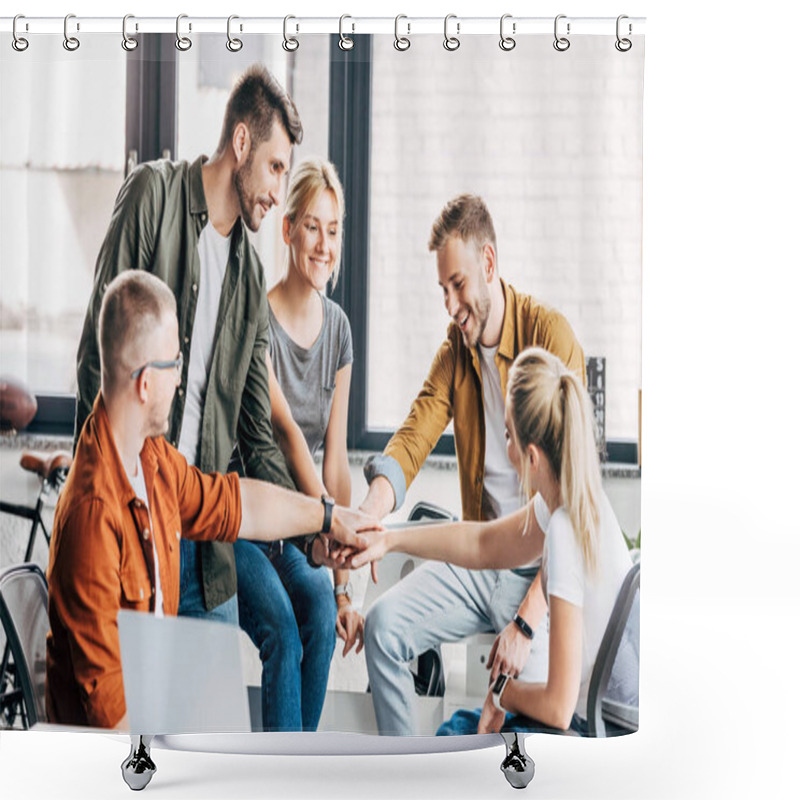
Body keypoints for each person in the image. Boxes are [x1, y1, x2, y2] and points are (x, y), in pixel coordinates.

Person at [74, 66, 343, 728]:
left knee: (215, 729)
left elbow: (256, 427)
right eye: (277, 168)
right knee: (133, 724)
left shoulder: (249, 273)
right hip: (136, 519)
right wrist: (113, 490)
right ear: (242, 142)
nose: (278, 192)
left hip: (201, 523)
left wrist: (308, 525)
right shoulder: (154, 197)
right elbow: (96, 356)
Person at [47, 271, 376, 730]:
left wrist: (327, 516)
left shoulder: (153, 461)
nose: (181, 381)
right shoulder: (94, 515)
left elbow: (236, 503)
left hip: (155, 726)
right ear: (145, 384)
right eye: (174, 366)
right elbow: (112, 719)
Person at [358, 194, 586, 735]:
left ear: (488, 263)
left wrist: (529, 619)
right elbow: (412, 439)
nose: (449, 302)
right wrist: (368, 518)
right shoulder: (454, 354)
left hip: (543, 576)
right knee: (382, 627)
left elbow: (575, 508)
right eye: (442, 288)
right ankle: (409, 776)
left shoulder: (549, 338)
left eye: (457, 284)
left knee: (516, 724)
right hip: (484, 557)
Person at [350, 347, 632, 735]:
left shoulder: (566, 532)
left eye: (508, 435)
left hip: (590, 731)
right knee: (457, 732)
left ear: (531, 457)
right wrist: (390, 541)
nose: (505, 446)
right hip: (593, 719)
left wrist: (503, 695)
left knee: (454, 739)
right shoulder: (574, 500)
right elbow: (483, 544)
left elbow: (558, 708)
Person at [233, 157, 361, 732]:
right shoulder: (257, 320)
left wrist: (343, 583)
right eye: (312, 226)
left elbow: (333, 458)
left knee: (317, 613)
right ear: (287, 231)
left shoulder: (338, 329)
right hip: (246, 522)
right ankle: (279, 782)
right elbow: (287, 440)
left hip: (302, 530)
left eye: (333, 230)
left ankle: (300, 769)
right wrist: (333, 523)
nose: (324, 244)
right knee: (283, 631)